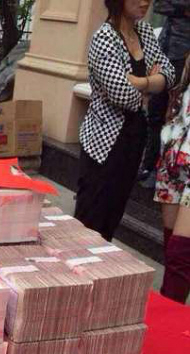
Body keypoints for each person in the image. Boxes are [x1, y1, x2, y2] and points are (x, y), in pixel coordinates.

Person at [75, 0, 175, 242]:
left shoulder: (145, 32)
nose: (145, 2)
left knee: (113, 215)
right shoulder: (104, 37)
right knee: (90, 220)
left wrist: (141, 82)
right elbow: (122, 95)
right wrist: (151, 86)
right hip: (104, 145)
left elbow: (170, 74)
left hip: (134, 140)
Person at [138, 1, 190, 187]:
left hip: (184, 57)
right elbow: (159, 5)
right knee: (155, 111)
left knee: (176, 116)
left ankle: (165, 171)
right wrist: (184, 9)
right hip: (164, 52)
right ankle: (148, 165)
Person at [154, 52, 190, 303]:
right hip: (175, 157)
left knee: (180, 253)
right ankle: (171, 312)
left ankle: (166, 315)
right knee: (171, 249)